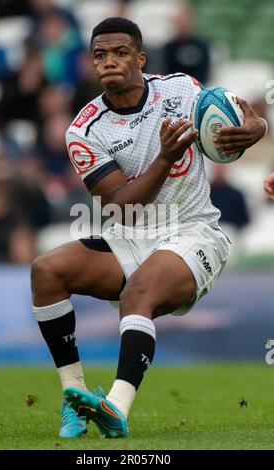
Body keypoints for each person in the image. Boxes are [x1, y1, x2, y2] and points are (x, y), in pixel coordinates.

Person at [31, 17, 267, 439]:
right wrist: (163, 157)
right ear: (91, 64)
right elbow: (122, 209)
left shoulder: (181, 90)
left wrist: (257, 128)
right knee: (46, 271)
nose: (109, 62)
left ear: (140, 58)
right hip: (132, 232)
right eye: (99, 55)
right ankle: (74, 399)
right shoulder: (84, 130)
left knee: (136, 292)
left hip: (195, 231)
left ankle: (116, 408)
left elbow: (240, 121)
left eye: (120, 52)